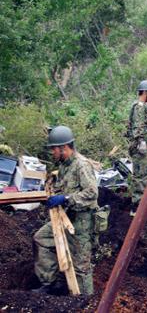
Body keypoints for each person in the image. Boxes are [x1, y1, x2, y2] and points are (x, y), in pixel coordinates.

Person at [33, 126, 98, 295]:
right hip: (65, 217)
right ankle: (51, 283)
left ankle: (86, 302)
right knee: (42, 238)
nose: (52, 153)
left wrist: (67, 199)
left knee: (81, 265)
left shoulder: (81, 165)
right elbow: (63, 187)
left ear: (64, 148)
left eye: (54, 149)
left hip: (81, 222)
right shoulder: (63, 165)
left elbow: (92, 193)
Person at [126, 80, 147, 215]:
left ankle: (142, 204)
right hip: (140, 146)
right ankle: (137, 207)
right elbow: (138, 127)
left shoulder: (144, 106)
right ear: (145, 92)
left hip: (143, 144)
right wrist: (141, 142)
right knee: (141, 175)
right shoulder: (139, 107)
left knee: (145, 174)